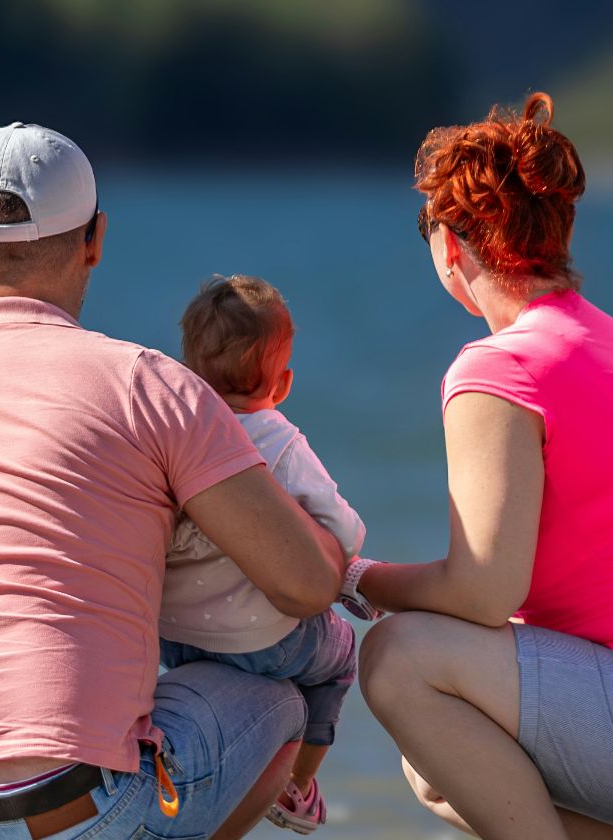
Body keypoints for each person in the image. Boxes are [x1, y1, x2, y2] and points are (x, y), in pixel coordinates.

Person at [0, 123, 348, 840]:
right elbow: (305, 586)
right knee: (285, 693)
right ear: (95, 240)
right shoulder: (150, 387)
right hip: (71, 809)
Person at [342, 93, 613, 840]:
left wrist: (354, 577)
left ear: (450, 248)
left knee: (399, 660)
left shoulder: (497, 367)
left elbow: (482, 592)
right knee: (438, 765)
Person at [160, 275, 366, 833]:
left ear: (187, 372)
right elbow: (344, 532)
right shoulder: (279, 442)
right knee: (339, 655)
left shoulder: (171, 436)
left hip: (174, 639)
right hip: (263, 640)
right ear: (284, 381)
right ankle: (299, 785)